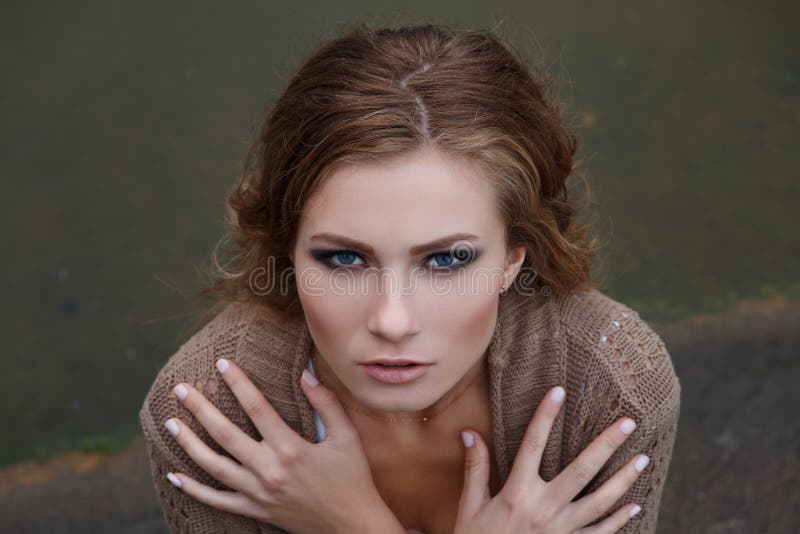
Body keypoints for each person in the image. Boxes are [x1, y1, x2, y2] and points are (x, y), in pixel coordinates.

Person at [139, 22, 681, 534]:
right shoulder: (210, 416)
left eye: (446, 260)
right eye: (344, 259)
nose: (392, 321)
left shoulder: (609, 385)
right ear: (288, 252)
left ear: (515, 255)